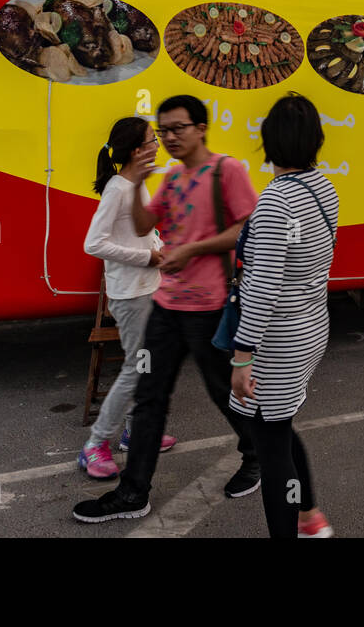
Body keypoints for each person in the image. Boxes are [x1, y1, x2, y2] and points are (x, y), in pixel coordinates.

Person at [73, 95, 260, 523]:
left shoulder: (226, 171)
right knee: (150, 396)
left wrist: (192, 248)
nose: (169, 138)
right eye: (163, 130)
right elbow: (143, 226)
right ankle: (133, 492)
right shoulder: (171, 178)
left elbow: (246, 228)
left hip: (208, 305)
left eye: (177, 128)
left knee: (221, 390)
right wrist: (137, 182)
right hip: (164, 301)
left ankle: (257, 454)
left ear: (200, 128)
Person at [229, 94, 340, 538]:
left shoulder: (277, 201)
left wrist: (242, 356)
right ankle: (311, 518)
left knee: (271, 451)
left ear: (268, 142)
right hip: (312, 327)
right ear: (316, 141)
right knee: (277, 425)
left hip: (280, 339)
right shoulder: (323, 187)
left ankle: (293, 528)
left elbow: (262, 286)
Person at [77, 118, 176, 479]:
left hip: (147, 289)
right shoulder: (118, 188)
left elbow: (143, 233)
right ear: (137, 150)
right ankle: (95, 445)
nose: (158, 144)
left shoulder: (136, 184)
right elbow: (94, 244)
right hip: (131, 296)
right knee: (137, 367)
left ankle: (135, 433)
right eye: (153, 140)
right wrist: (147, 257)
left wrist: (163, 249)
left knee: (148, 365)